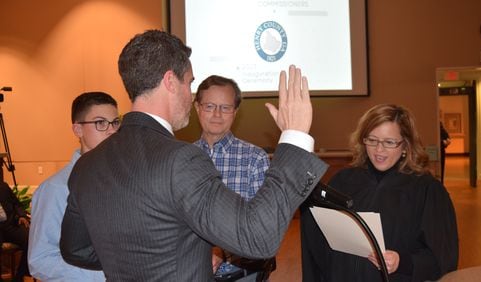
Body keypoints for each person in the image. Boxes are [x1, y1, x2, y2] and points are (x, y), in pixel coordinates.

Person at [59, 29, 327, 281]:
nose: (190, 95)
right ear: (170, 82)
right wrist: (295, 136)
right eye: (189, 83)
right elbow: (258, 237)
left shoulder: (86, 165)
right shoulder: (181, 160)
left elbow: (76, 250)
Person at [301, 104, 459, 282]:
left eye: (389, 142)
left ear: (405, 145)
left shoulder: (428, 191)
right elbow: (317, 240)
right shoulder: (343, 180)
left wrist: (402, 261)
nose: (379, 150)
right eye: (372, 140)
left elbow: (443, 259)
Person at [28, 92, 120, 281]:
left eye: (115, 122)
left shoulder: (122, 178)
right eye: (100, 123)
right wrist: (105, 276)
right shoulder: (56, 188)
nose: (111, 131)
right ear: (78, 129)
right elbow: (41, 260)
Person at [193, 75, 274, 281]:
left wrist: (222, 251)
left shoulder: (255, 159)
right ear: (197, 108)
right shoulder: (181, 157)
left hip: (240, 273)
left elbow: (261, 228)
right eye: (210, 106)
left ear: (235, 112)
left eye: (226, 107)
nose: (217, 114)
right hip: (189, 270)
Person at [0, 173, 30, 282]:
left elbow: (16, 204)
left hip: (9, 225)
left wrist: (22, 216)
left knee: (30, 237)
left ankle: (20, 275)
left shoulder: (3, 186)